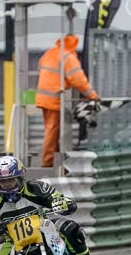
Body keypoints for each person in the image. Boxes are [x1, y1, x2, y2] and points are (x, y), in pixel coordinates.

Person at [35, 34, 99, 167]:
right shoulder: (68, 57)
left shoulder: (51, 52)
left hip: (43, 97)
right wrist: (93, 96)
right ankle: (47, 164)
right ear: (74, 45)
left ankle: (54, 160)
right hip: (55, 99)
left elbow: (40, 67)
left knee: (53, 130)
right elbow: (79, 80)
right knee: (52, 132)